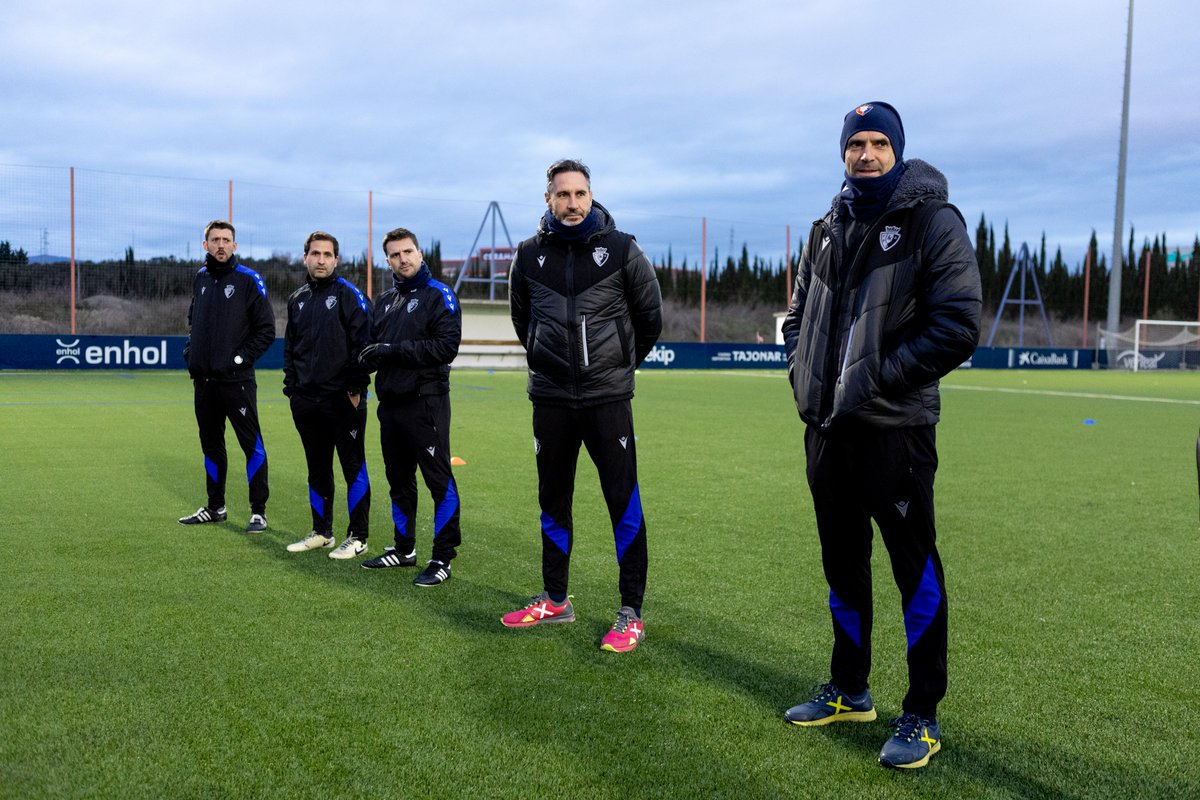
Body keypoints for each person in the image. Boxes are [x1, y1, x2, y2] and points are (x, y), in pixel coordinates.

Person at [780, 102, 982, 768]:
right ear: (842, 153)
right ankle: (849, 688)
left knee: (914, 572)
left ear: (896, 151)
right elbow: (797, 315)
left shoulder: (932, 222)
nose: (864, 154)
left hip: (895, 430)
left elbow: (957, 326)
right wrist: (803, 377)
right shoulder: (826, 226)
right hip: (828, 431)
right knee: (842, 565)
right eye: (854, 144)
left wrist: (869, 380)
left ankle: (921, 711)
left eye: (877, 144)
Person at [502, 158, 662, 653]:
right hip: (550, 400)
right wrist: (551, 364)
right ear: (548, 199)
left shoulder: (621, 249)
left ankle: (630, 611)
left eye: (580, 194)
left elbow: (649, 319)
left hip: (607, 400)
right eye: (562, 195)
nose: (572, 204)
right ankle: (555, 599)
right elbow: (521, 319)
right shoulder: (528, 256)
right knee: (553, 500)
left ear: (592, 197)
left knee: (623, 503)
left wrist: (615, 367)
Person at [357, 228, 463, 587]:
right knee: (398, 481)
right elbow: (371, 349)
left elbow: (445, 348)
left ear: (420, 253)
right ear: (387, 260)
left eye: (408, 251)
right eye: (395, 254)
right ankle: (404, 550)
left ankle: (443, 557)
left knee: (439, 481)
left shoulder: (439, 295)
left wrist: (393, 351)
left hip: (426, 403)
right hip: (391, 406)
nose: (403, 259)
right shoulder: (385, 301)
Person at [282, 231, 373, 559]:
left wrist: (355, 389)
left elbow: (365, 346)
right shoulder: (297, 299)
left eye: (327, 255)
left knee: (353, 467)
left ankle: (358, 536)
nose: (321, 260)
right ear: (305, 256)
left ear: (336, 259)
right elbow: (290, 349)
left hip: (342, 400)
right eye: (315, 254)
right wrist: (292, 391)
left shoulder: (350, 295)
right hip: (306, 401)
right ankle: (322, 532)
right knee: (317, 467)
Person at [178, 220, 274, 532]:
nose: (221, 245)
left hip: (237, 382)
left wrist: (238, 358)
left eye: (227, 240)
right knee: (211, 445)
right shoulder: (201, 277)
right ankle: (215, 507)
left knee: (251, 446)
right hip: (205, 382)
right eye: (215, 240)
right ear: (204, 244)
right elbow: (194, 318)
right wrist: (193, 352)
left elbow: (266, 330)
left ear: (235, 245)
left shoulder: (249, 280)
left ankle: (258, 511)